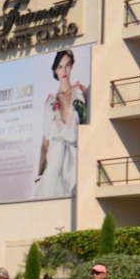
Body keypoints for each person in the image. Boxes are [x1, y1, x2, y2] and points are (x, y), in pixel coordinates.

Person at [35, 49, 86, 199]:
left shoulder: (81, 93)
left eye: (67, 65)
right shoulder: (49, 102)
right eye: (60, 67)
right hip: (53, 163)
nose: (64, 70)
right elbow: (45, 144)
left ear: (72, 66)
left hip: (74, 161)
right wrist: (39, 176)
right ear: (55, 70)